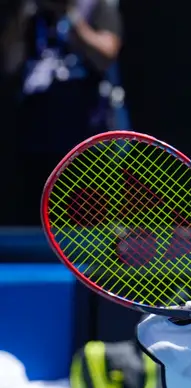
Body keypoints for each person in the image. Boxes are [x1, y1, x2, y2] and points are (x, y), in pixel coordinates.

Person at [1, 0, 125, 225]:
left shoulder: (96, 7)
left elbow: (105, 55)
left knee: (88, 223)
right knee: (34, 225)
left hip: (86, 144)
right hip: (36, 139)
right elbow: (9, 62)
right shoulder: (31, 13)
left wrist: (70, 17)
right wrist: (22, 19)